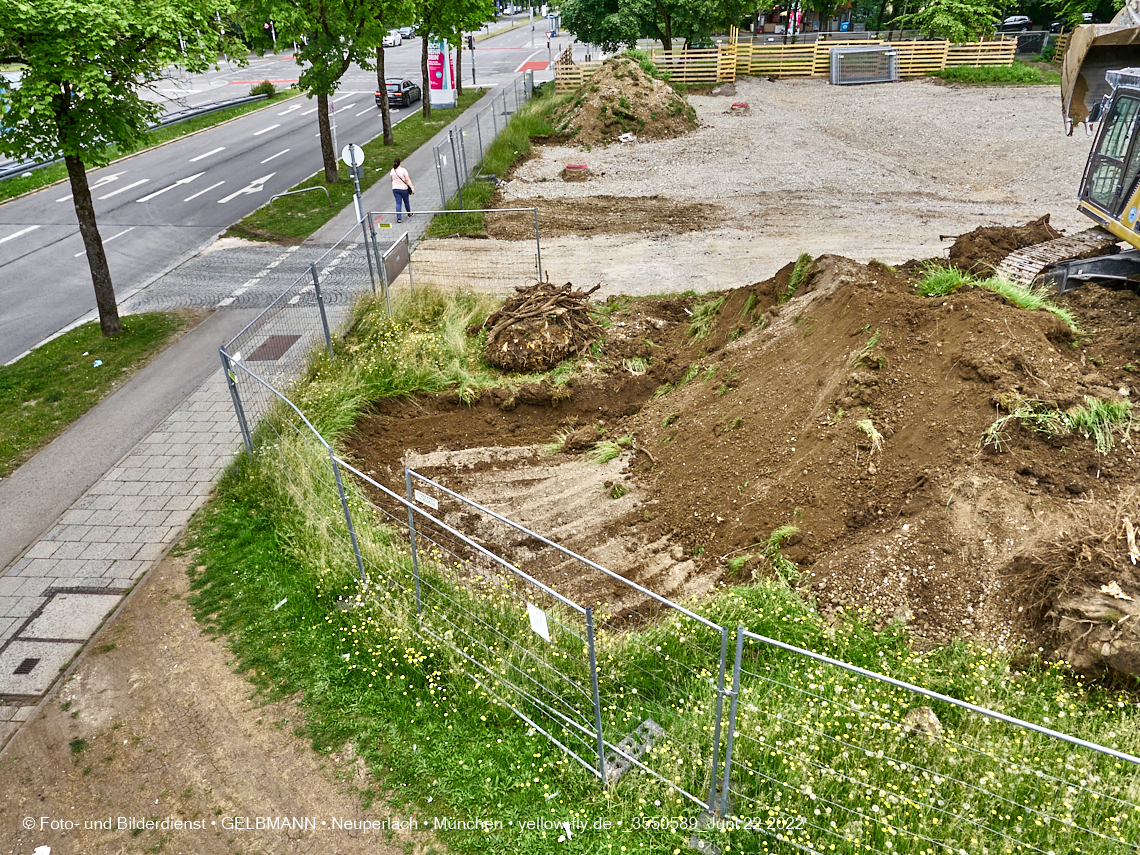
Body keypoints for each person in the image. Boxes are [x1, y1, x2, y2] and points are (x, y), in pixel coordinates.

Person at [390, 157, 414, 223]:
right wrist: (412, 188)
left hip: (395, 189)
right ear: (400, 163)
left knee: (398, 203)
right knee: (406, 201)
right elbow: (407, 180)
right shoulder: (403, 170)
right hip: (403, 189)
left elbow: (391, 179)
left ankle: (399, 218)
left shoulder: (392, 170)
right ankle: (409, 213)